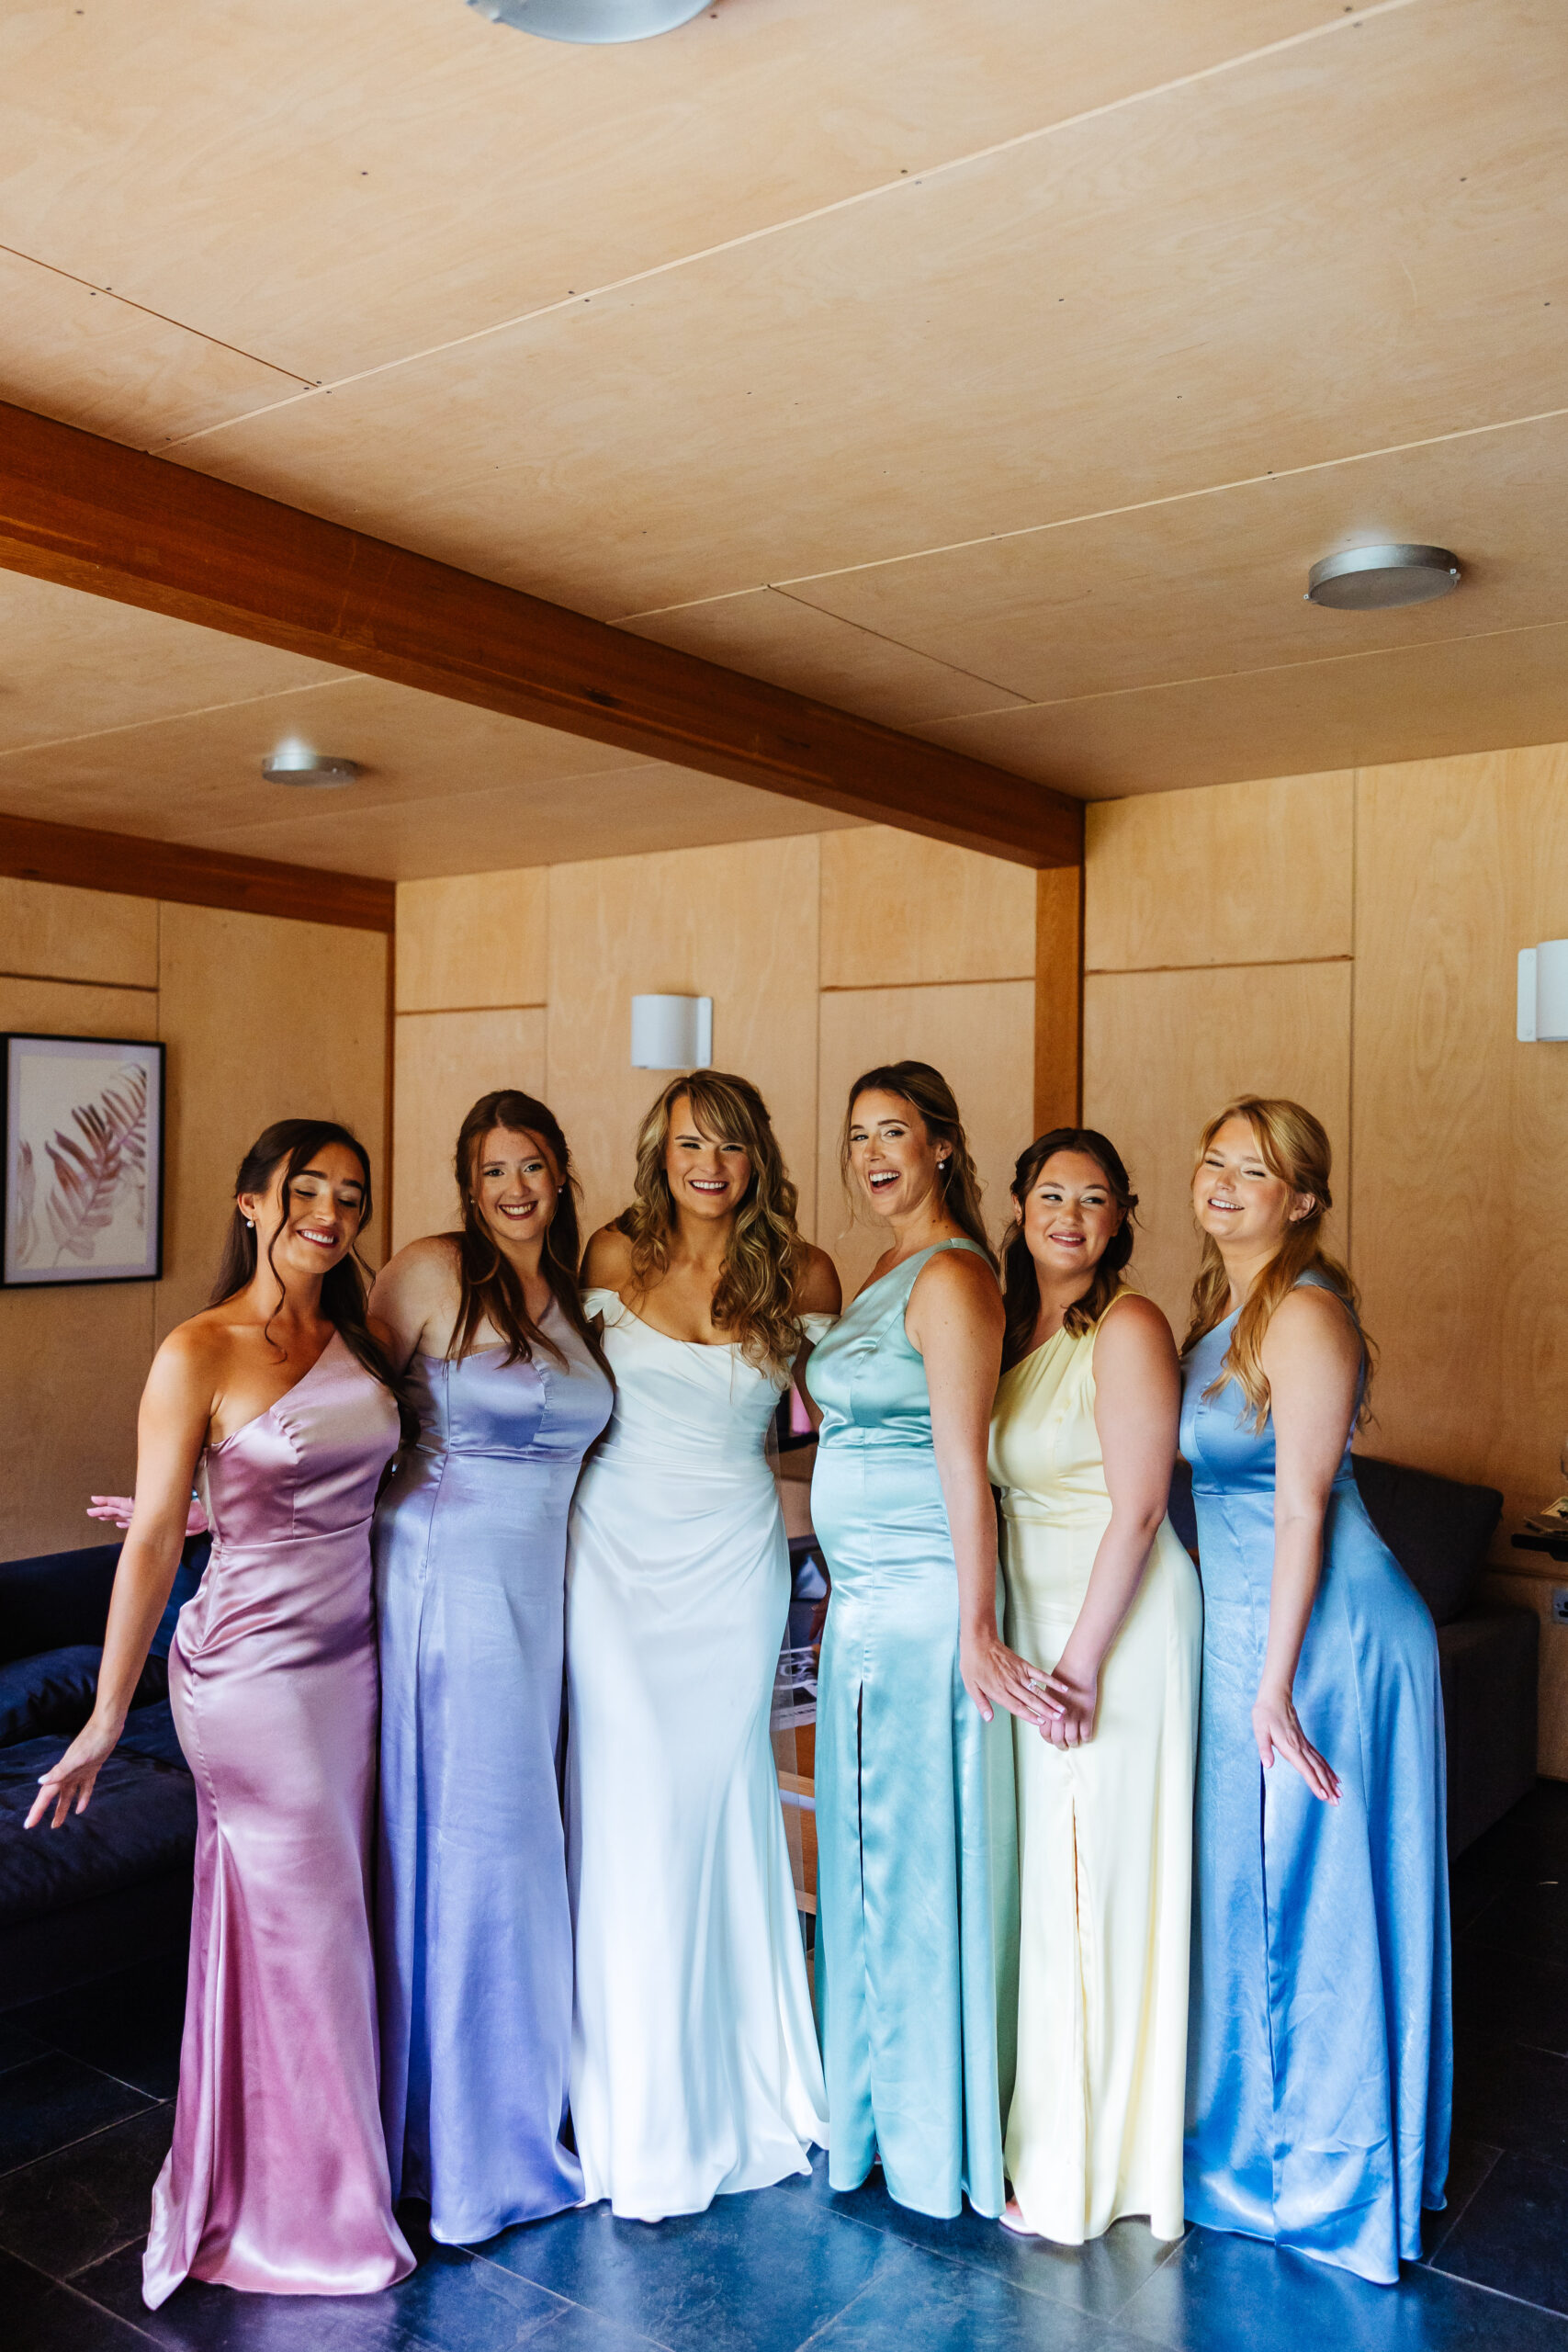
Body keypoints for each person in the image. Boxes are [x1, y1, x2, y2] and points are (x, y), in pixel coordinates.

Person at [28, 1121, 412, 2307]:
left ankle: (293, 2176)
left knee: (322, 1922)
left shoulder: (355, 1338)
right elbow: (146, 1545)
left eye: (350, 1196)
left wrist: (217, 1502)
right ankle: (316, 2217)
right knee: (317, 1932)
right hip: (245, 1678)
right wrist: (103, 1714)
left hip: (348, 1662)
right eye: (306, 1191)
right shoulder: (196, 1349)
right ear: (251, 1203)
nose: (331, 1214)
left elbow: (331, 1481)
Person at [1179, 1096, 1451, 2284]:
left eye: (1257, 1170)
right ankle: (1258, 2151)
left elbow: (1298, 1504)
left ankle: (1324, 2180)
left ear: (1300, 1199)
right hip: (1258, 1623)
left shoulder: (1301, 1311)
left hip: (1327, 1632)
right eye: (1215, 1160)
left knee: (1312, 1899)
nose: (1226, 1182)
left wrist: (1272, 1680)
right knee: (1257, 1893)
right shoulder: (1221, 1310)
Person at [567, 1069, 836, 2218]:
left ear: (757, 1153)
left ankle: (731, 2082)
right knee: (631, 1812)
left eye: (728, 1144)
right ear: (659, 1150)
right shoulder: (607, 1255)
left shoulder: (805, 1272)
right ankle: (629, 2094)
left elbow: (852, 1422)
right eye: (688, 1143)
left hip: (732, 1564)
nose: (708, 1164)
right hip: (612, 1559)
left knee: (716, 1808)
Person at [370, 1091, 613, 2244]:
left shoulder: (575, 1297)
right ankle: (462, 2149)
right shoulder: (427, 1272)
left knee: (529, 1843)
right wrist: (216, 1494)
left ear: (562, 1173)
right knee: (476, 1843)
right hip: (443, 1580)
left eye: (532, 1166)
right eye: (491, 1171)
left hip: (541, 1593)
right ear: (467, 1186)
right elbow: (343, 1411)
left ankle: (517, 2110)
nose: (514, 1188)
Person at [806, 1061, 1042, 2221]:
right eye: (858, 1135)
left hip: (916, 1610)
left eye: (895, 1131)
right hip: (861, 1606)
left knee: (903, 1862)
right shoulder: (883, 1269)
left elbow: (966, 1461)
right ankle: (870, 2107)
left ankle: (922, 2119)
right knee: (862, 1861)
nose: (872, 1153)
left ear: (944, 1144)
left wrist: (977, 1624)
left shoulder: (952, 1278)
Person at [987, 1128, 1200, 2245]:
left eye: (1097, 1198)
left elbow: (1143, 1504)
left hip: (1112, 1627)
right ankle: (1058, 2128)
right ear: (1019, 1203)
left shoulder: (1126, 1324)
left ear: (1122, 1218)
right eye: (1052, 1193)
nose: (1071, 1213)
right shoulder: (1007, 1324)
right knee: (1058, 1888)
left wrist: (1080, 1661)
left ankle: (1083, 2168)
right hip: (1037, 1622)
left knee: (1092, 1888)